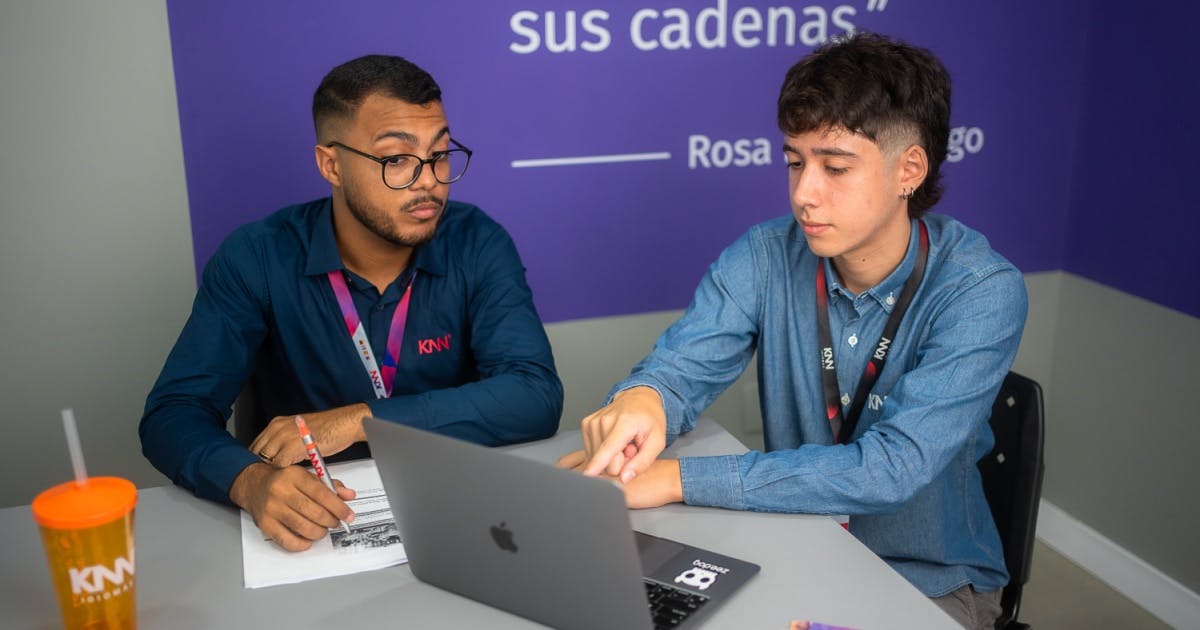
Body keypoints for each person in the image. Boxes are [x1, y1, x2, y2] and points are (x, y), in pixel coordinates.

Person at [557, 32, 1025, 630]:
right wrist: (645, 399)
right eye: (795, 162)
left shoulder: (982, 290)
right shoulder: (763, 255)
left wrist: (675, 478)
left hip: (927, 581)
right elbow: (680, 369)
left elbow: (891, 469)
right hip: (794, 545)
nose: (804, 194)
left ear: (909, 168)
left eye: (835, 167)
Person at [141, 55, 563, 553]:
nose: (428, 180)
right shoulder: (257, 256)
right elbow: (173, 413)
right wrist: (249, 480)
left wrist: (360, 419)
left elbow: (534, 395)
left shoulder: (477, 241)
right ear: (331, 165)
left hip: (458, 512)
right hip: (316, 527)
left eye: (441, 153)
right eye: (396, 160)